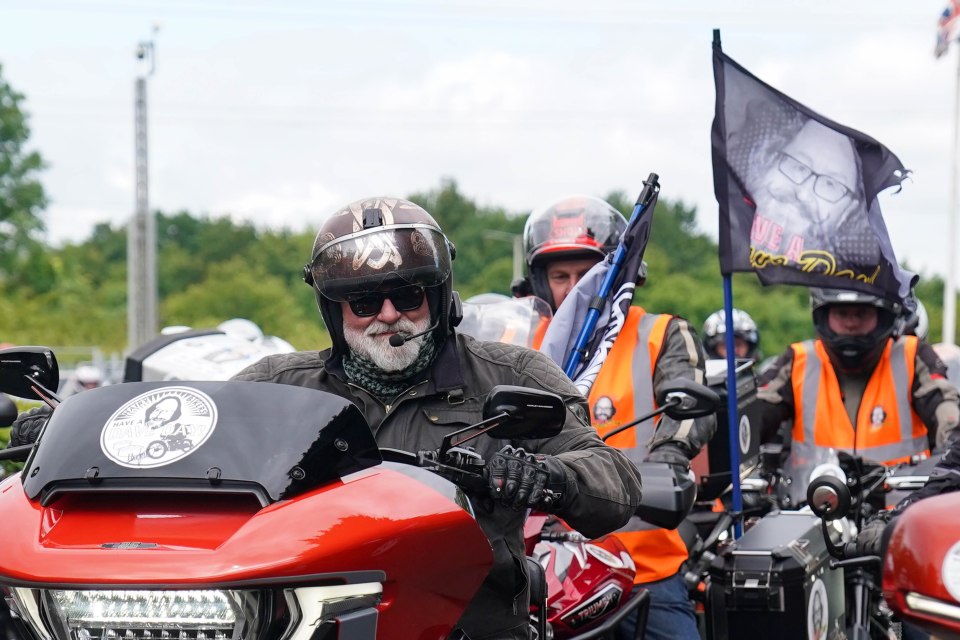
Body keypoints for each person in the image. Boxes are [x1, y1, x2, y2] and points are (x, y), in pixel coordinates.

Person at [226, 197, 643, 640]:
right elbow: (192, 445)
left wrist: (549, 476)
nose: (388, 314)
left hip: (472, 625)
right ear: (334, 309)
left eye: (408, 295)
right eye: (364, 301)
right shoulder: (277, 387)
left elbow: (616, 481)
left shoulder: (513, 373)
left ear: (438, 295)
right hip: (308, 624)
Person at [518, 195, 715, 640]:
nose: (574, 288)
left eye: (587, 274)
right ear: (540, 282)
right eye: (559, 276)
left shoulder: (661, 332)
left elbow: (690, 415)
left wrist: (668, 460)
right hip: (540, 566)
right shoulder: (521, 346)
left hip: (641, 560)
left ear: (619, 273)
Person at [758, 287, 960, 506]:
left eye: (861, 314)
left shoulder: (912, 356)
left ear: (882, 315)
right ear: (823, 314)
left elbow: (948, 412)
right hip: (808, 514)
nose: (851, 323)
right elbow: (752, 417)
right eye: (842, 314)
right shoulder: (797, 361)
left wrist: (950, 455)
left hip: (899, 518)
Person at [736, 110, 877, 271]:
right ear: (768, 161)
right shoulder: (723, 252)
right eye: (797, 165)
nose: (802, 194)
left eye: (830, 184)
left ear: (847, 211)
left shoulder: (842, 281)